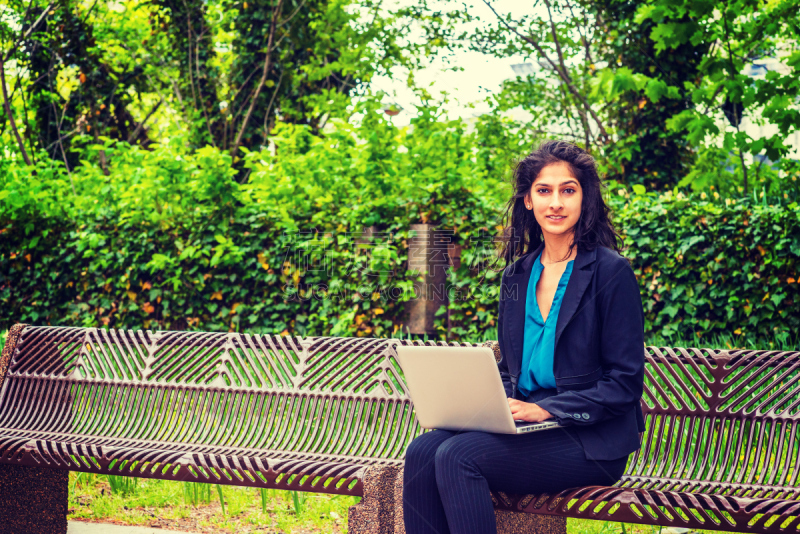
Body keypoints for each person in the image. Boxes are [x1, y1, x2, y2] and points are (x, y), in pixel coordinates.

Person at [402, 140, 646, 534]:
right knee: (423, 450)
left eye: (568, 190)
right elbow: (512, 368)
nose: (556, 202)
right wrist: (479, 401)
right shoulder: (517, 275)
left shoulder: (610, 272)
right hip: (529, 427)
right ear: (529, 200)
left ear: (585, 198)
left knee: (458, 457)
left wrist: (549, 409)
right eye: (544, 191)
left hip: (588, 439)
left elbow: (624, 384)